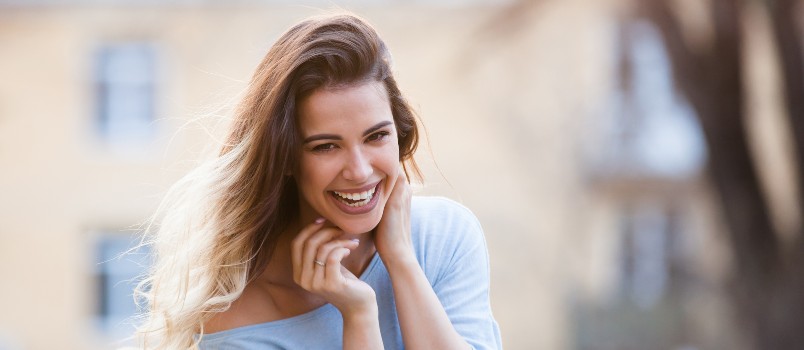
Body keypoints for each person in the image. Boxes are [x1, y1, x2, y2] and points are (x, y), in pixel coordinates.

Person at [135, 12, 502, 350]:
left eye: (376, 136)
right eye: (326, 146)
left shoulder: (444, 237)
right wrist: (358, 316)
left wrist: (402, 261)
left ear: (400, 133)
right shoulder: (236, 319)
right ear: (286, 158)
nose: (359, 170)